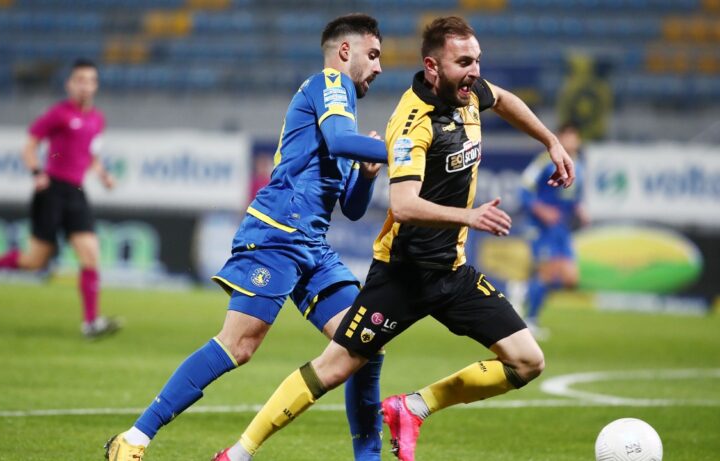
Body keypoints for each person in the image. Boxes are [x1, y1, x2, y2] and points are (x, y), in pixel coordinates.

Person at [210, 16, 576, 461]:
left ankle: (413, 408)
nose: (475, 72)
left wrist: (550, 141)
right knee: (334, 368)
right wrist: (469, 216)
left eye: (477, 60)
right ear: (432, 66)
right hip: (402, 274)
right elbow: (402, 205)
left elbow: (503, 99)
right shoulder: (411, 121)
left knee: (528, 361)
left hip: (452, 271)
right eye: (464, 63)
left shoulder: (469, 93)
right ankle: (238, 453)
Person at [104, 13, 388, 461]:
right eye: (372, 55)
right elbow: (337, 141)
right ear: (345, 51)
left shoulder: (345, 112)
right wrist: (404, 150)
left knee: (364, 342)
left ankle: (368, 458)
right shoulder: (330, 84)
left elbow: (352, 207)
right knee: (239, 344)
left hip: (312, 245)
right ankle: (135, 437)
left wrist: (369, 175)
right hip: (277, 233)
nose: (378, 66)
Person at [0, 58, 120, 339]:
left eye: (90, 81)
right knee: (34, 261)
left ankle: (90, 323)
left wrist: (103, 175)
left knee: (90, 254)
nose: (85, 86)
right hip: (52, 190)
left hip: (76, 193)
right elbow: (29, 145)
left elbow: (91, 155)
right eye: (80, 80)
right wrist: (37, 172)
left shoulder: (97, 119)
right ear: (70, 84)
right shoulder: (58, 114)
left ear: (96, 86)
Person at [520, 123, 588, 339]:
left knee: (570, 278)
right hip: (542, 228)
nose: (572, 141)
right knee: (547, 272)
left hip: (562, 229)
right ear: (558, 138)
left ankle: (523, 294)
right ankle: (530, 319)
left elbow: (572, 196)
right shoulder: (544, 161)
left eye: (575, 137)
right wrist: (541, 210)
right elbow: (524, 189)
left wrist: (579, 209)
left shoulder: (579, 165)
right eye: (567, 136)